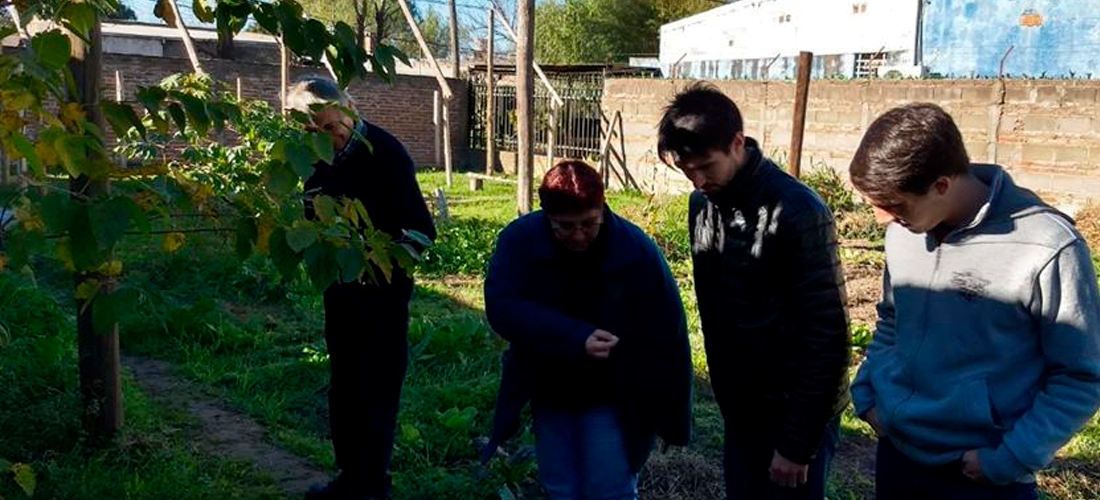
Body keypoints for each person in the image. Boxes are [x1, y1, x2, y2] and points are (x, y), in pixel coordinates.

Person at [849, 102, 1100, 500]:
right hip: (897, 454)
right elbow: (892, 321)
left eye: (895, 206)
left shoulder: (1048, 247)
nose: (882, 220)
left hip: (980, 475)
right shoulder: (904, 231)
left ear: (942, 185)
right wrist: (867, 393)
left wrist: (1010, 459)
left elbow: (1080, 376)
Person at [657, 83, 851, 499]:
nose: (697, 180)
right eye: (687, 170)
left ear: (737, 143)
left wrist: (796, 445)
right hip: (742, 407)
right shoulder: (703, 205)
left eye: (706, 166)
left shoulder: (798, 212)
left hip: (793, 413)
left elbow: (827, 334)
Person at [483, 160, 693, 500]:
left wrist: (674, 418)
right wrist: (574, 336)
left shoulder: (635, 249)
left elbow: (669, 334)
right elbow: (502, 306)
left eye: (588, 224)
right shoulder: (520, 241)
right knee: (561, 487)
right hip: (551, 387)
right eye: (564, 227)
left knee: (609, 489)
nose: (578, 235)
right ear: (546, 216)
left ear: (603, 207)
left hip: (615, 391)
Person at [289, 77, 437, 500]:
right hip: (340, 292)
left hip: (383, 296)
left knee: (376, 388)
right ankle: (350, 478)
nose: (325, 139)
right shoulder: (309, 158)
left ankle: (373, 486)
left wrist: (378, 264)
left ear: (350, 111)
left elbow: (421, 233)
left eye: (332, 128)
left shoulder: (386, 153)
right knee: (345, 387)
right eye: (311, 131)